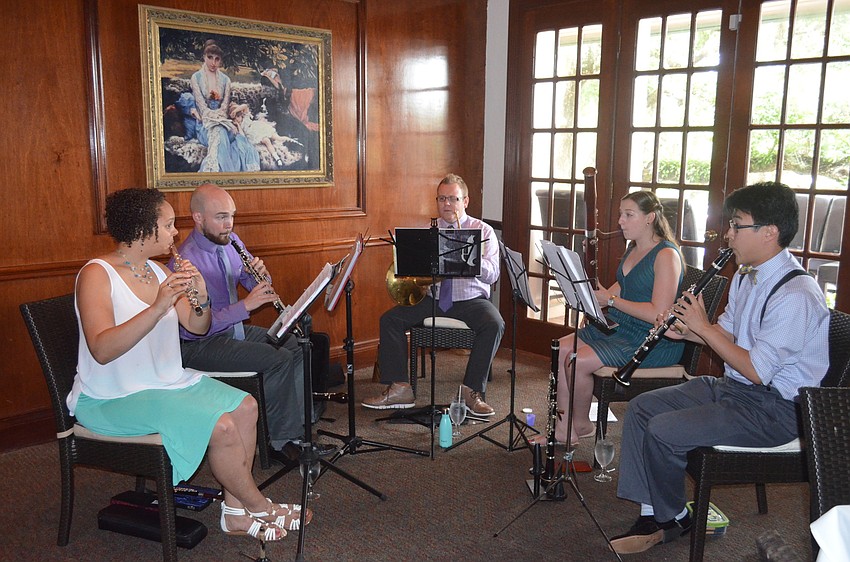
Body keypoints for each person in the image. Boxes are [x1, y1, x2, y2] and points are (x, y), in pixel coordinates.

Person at [69, 187, 308, 541]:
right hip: (111, 397)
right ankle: (260, 505)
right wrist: (158, 307)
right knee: (222, 427)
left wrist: (202, 296)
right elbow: (102, 349)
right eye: (167, 225)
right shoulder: (97, 274)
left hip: (164, 382)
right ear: (143, 229)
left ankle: (234, 514)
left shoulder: (158, 271)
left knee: (246, 407)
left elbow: (198, 326)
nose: (175, 232)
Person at [609, 181, 829, 555]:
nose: (728, 234)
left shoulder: (796, 295)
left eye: (737, 225)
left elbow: (757, 370)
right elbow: (725, 333)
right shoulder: (746, 273)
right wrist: (686, 331)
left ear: (769, 232)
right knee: (642, 408)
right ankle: (654, 514)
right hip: (736, 389)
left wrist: (704, 328)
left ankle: (671, 518)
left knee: (664, 430)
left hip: (776, 410)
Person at [171, 183, 334, 466]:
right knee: (278, 359)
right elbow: (194, 326)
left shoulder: (231, 241)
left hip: (232, 331)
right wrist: (245, 306)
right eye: (221, 217)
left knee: (295, 344)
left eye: (232, 216)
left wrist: (260, 276)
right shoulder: (184, 262)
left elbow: (253, 284)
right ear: (198, 218)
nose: (229, 224)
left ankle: (297, 431)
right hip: (200, 344)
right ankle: (279, 441)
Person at [531, 191, 684, 447]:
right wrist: (594, 302)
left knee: (577, 361)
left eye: (628, 215)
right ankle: (563, 428)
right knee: (561, 349)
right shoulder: (634, 248)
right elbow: (623, 285)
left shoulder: (666, 256)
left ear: (650, 218)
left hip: (651, 340)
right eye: (621, 214)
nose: (621, 221)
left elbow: (658, 313)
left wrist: (610, 301)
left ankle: (581, 424)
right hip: (624, 327)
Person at [362, 173, 505, 416]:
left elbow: (492, 275)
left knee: (495, 324)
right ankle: (400, 388)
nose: (447, 204)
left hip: (471, 300)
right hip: (433, 298)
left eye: (453, 198)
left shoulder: (483, 231)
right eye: (441, 198)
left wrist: (470, 259)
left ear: (465, 201)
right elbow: (411, 273)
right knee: (390, 320)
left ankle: (471, 391)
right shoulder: (428, 231)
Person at [189, 40, 259, 172]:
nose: (213, 62)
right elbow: (201, 106)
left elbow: (225, 106)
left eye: (217, 59)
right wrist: (214, 118)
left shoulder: (226, 80)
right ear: (204, 57)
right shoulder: (196, 77)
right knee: (218, 131)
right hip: (205, 124)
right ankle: (223, 172)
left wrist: (221, 119)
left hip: (224, 122)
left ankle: (223, 173)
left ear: (220, 61)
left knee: (224, 132)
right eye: (210, 57)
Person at [229, 101, 302, 169]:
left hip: (258, 128)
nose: (238, 118)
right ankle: (277, 159)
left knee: (277, 137)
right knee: (267, 141)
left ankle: (294, 141)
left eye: (239, 115)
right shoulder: (238, 125)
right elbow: (242, 136)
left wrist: (235, 111)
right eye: (236, 117)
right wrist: (238, 125)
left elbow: (245, 106)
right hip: (253, 135)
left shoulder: (245, 116)